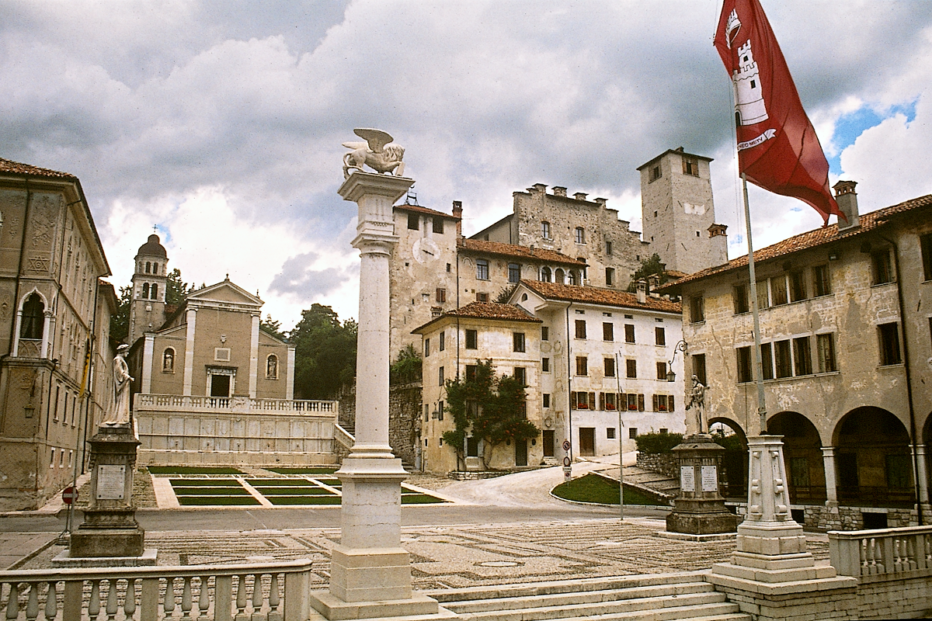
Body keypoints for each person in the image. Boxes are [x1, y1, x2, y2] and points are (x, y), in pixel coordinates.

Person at [100, 344, 133, 427]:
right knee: (119, 401)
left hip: (123, 384)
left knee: (121, 401)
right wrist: (128, 377)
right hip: (121, 384)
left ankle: (120, 417)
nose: (128, 353)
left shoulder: (120, 359)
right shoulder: (117, 359)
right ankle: (118, 418)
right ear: (123, 351)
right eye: (127, 351)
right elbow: (119, 372)